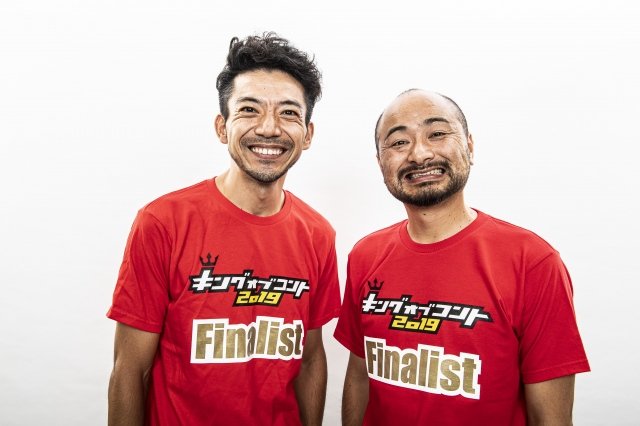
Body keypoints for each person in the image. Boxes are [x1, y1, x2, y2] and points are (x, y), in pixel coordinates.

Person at [107, 32, 341, 426]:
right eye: (249, 109)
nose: (269, 128)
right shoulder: (163, 222)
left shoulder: (318, 234)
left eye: (288, 113)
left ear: (308, 134)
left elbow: (310, 357)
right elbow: (130, 370)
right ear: (222, 127)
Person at [334, 89, 590, 425]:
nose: (419, 154)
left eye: (437, 134)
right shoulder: (365, 256)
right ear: (381, 162)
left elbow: (550, 418)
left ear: (470, 146)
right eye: (398, 142)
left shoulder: (533, 262)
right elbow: (360, 376)